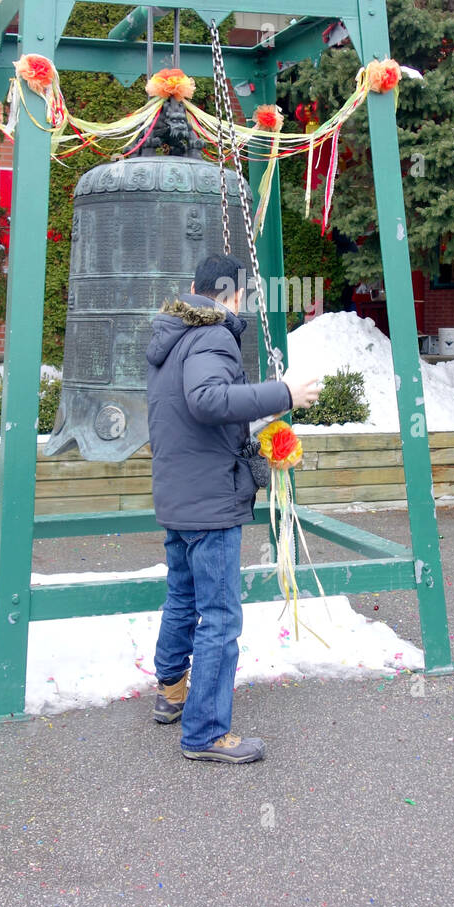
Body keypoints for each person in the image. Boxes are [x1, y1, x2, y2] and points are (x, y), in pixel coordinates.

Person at [146, 253, 322, 765]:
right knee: (220, 617)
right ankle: (204, 733)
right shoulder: (213, 335)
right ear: (235, 294)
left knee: (182, 597)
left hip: (179, 495)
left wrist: (261, 407)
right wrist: (283, 392)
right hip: (211, 501)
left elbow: (194, 407)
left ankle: (172, 692)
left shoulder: (172, 336)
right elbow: (206, 400)